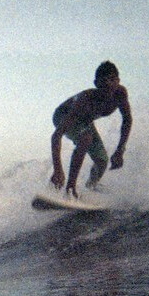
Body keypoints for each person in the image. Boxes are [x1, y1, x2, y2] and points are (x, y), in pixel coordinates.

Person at [50, 61, 132, 198]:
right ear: (96, 84)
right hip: (62, 116)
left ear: (118, 81)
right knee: (86, 137)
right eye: (103, 81)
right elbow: (56, 136)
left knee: (102, 161)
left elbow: (127, 120)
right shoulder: (85, 100)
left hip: (85, 121)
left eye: (112, 79)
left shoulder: (120, 94)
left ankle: (90, 186)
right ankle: (70, 190)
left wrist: (120, 150)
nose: (108, 84)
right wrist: (58, 169)